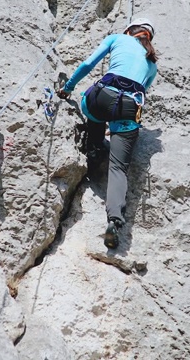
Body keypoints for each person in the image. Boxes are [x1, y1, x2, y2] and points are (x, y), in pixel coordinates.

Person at [57, 18, 158, 249]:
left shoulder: (118, 38)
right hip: (129, 109)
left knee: (90, 106)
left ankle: (93, 145)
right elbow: (143, 90)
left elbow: (88, 64)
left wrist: (67, 88)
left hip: (101, 99)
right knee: (119, 167)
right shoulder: (152, 64)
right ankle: (114, 220)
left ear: (129, 31)